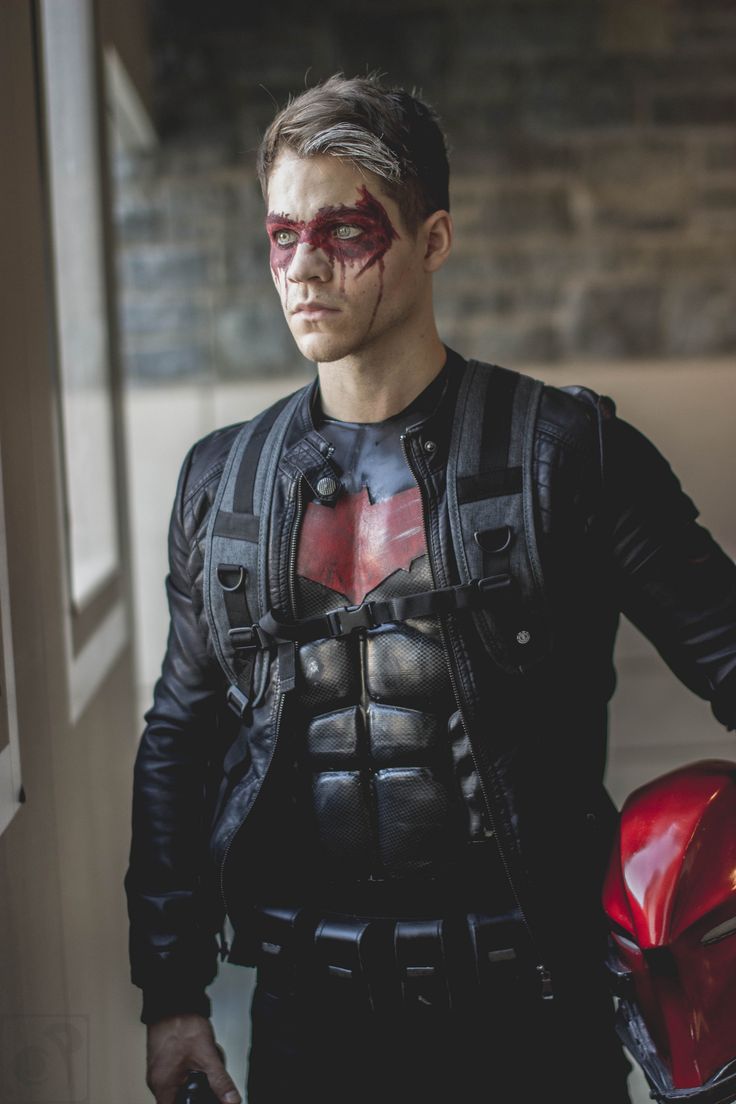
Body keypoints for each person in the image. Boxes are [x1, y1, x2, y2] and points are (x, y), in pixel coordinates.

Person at [125, 74, 736, 1104]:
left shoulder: (566, 456)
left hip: (532, 1013)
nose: (303, 269)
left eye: (344, 232)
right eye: (281, 236)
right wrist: (171, 992)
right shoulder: (221, 483)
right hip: (308, 1022)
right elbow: (179, 745)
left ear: (433, 240)